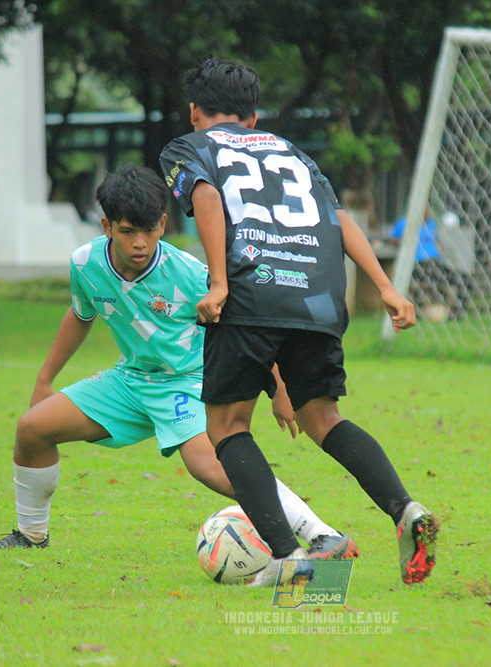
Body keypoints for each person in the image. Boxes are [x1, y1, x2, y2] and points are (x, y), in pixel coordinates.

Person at [0, 163, 358, 562]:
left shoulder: (189, 275)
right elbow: (80, 315)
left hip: (189, 381)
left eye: (149, 230)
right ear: (106, 226)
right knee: (32, 429)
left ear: (164, 224)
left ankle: (321, 534)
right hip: (129, 381)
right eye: (128, 231)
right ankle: (31, 535)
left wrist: (280, 390)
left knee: (208, 466)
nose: (140, 243)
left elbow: (247, 327)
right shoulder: (85, 264)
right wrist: (46, 380)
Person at [159, 57, 438, 586]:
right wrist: (385, 287)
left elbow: (207, 197)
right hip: (318, 299)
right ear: (255, 117)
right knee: (323, 419)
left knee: (227, 426)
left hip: (251, 293)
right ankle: (405, 511)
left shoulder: (188, 147)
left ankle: (289, 556)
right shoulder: (292, 152)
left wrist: (218, 282)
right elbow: (337, 219)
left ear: (194, 110)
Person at [389, 209, 470, 320]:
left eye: (428, 210)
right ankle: (418, 312)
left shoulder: (431, 224)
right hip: (417, 264)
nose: (427, 212)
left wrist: (440, 247)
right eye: (424, 209)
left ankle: (457, 314)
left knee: (463, 278)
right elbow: (392, 240)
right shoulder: (404, 223)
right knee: (425, 283)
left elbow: (437, 240)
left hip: (436, 263)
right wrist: (406, 243)